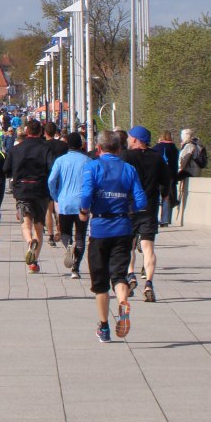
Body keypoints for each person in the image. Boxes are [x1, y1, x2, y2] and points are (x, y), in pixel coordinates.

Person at [80, 131, 146, 342]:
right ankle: (122, 301)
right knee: (118, 275)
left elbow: (86, 194)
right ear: (119, 149)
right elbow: (141, 201)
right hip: (123, 228)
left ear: (99, 148)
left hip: (100, 228)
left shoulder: (93, 167)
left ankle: (104, 327)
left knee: (100, 282)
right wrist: (128, 209)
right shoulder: (129, 169)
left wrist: (84, 210)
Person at [121, 125, 171, 302]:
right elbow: (166, 182)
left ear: (135, 139)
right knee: (148, 247)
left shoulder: (125, 157)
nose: (128, 140)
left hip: (129, 206)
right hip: (149, 207)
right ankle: (149, 283)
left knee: (128, 245)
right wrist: (164, 195)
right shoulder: (157, 158)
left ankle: (130, 275)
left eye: (130, 137)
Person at [3, 120, 54, 273]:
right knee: (39, 226)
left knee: (26, 223)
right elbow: (51, 169)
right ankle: (33, 263)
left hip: (22, 190)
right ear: (40, 132)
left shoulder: (16, 149)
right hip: (40, 190)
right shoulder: (46, 149)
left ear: (27, 131)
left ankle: (29, 241)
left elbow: (6, 170)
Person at [49, 132, 92, 279]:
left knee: (65, 232)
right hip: (82, 203)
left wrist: (55, 195)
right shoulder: (88, 161)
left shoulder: (60, 161)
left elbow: (51, 180)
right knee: (80, 236)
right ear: (81, 145)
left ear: (67, 145)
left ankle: (68, 245)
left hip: (65, 201)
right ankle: (76, 267)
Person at [177, 128, 203, 226]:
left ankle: (172, 200)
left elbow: (183, 160)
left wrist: (179, 169)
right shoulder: (197, 145)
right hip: (195, 171)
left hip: (189, 171)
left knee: (171, 179)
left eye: (182, 135)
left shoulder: (189, 146)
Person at [154, 131, 180, 226]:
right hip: (171, 176)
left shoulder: (157, 148)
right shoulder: (175, 149)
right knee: (167, 197)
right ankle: (165, 219)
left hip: (158, 175)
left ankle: (154, 218)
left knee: (156, 197)